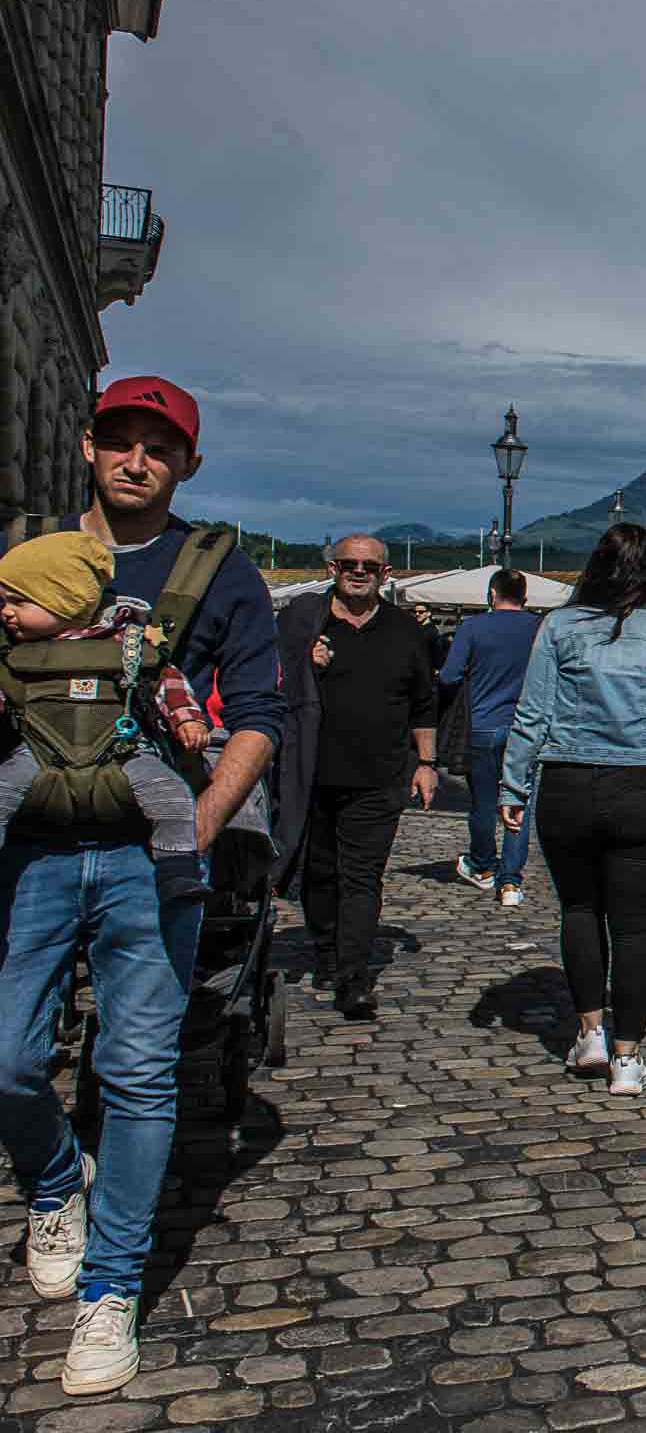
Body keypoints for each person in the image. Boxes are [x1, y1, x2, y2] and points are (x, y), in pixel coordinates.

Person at [0, 375, 282, 1399]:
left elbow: (257, 714)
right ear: (86, 445)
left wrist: (201, 830)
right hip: (31, 842)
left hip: (150, 850)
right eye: (119, 439)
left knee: (139, 1072)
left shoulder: (223, 573)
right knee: (8, 1059)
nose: (135, 459)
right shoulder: (26, 562)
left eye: (157, 447)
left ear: (187, 464)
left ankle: (110, 1289)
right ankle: (53, 1178)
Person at [501, 523, 646, 1099]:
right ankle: (628, 1059)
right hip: (643, 786)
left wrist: (512, 787)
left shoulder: (558, 628)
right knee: (636, 926)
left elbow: (532, 714)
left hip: (568, 783)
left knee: (579, 909)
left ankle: (590, 1033)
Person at [0, 533, 214, 900]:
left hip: (123, 748)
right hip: (37, 749)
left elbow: (167, 680)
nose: (6, 612)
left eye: (19, 601)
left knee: (173, 796)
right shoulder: (14, 652)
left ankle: (177, 869)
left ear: (64, 601)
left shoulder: (127, 642)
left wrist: (187, 719)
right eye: (2, 601)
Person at [277, 535, 437, 1020]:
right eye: (350, 564)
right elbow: (266, 677)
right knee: (320, 874)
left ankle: (353, 976)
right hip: (312, 773)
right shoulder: (303, 623)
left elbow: (423, 702)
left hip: (380, 776)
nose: (359, 571)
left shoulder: (405, 632)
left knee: (362, 877)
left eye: (370, 565)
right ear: (333, 568)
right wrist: (303, 663)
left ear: (387, 575)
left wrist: (426, 763)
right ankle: (326, 949)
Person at [439, 567, 540, 906]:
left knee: (482, 803)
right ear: (525, 597)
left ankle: (483, 866)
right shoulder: (539, 628)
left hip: (482, 725)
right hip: (526, 729)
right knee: (519, 804)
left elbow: (450, 675)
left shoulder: (472, 628)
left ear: (492, 595)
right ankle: (511, 882)